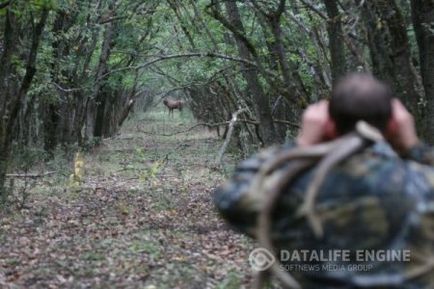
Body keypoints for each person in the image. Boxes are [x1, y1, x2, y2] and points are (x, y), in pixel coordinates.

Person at [214, 73, 434, 288]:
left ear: (328, 125)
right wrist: (414, 147)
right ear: (394, 124)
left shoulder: (294, 189)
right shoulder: (423, 183)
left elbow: (231, 198)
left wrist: (301, 144)